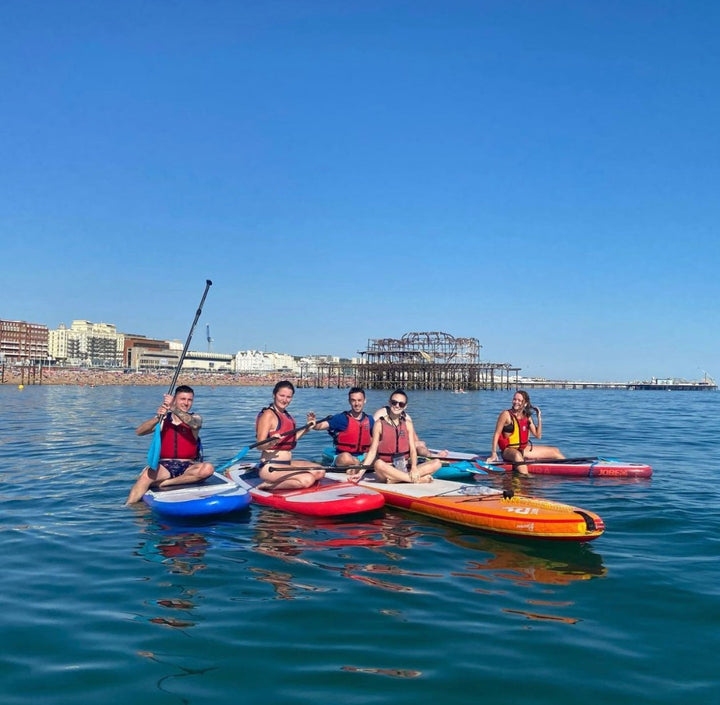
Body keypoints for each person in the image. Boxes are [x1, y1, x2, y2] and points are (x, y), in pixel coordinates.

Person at [126, 385, 214, 504]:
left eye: (189, 400)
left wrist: (173, 408)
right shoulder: (163, 419)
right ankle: (128, 505)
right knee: (146, 476)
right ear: (175, 400)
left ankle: (164, 483)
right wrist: (157, 418)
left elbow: (194, 425)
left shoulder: (195, 418)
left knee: (208, 469)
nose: (186, 403)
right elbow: (139, 432)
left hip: (188, 466)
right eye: (182, 399)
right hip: (165, 466)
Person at [255, 380, 324, 490]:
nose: (285, 400)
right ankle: (269, 485)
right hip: (270, 467)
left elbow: (291, 439)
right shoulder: (268, 414)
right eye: (281, 395)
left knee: (320, 471)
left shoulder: (286, 415)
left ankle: (285, 480)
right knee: (307, 479)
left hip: (286, 464)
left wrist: (307, 428)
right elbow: (259, 445)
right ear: (274, 395)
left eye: (288, 397)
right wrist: (271, 442)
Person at [363, 389, 442, 483]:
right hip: (387, 468)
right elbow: (372, 451)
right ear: (389, 403)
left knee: (437, 463)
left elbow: (413, 450)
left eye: (401, 404)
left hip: (403, 466)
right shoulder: (379, 424)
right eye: (394, 402)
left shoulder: (408, 424)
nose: (397, 406)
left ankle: (396, 479)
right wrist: (360, 473)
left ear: (405, 406)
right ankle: (414, 479)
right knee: (378, 464)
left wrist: (413, 467)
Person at [486, 390, 565, 474]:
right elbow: (497, 434)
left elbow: (538, 435)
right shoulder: (506, 414)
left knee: (555, 451)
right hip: (508, 451)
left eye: (519, 400)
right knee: (517, 455)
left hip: (522, 449)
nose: (516, 402)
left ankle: (573, 466)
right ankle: (527, 479)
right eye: (514, 399)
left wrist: (539, 417)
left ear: (525, 403)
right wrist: (494, 454)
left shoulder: (527, 416)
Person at [312, 387, 375, 467]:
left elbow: (375, 440)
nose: (356, 404)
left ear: (364, 400)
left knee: (376, 456)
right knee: (345, 457)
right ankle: (358, 465)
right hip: (343, 456)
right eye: (353, 400)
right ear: (349, 401)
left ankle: (357, 466)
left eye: (359, 400)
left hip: (363, 456)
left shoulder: (370, 420)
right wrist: (314, 424)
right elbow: (321, 426)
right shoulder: (342, 418)